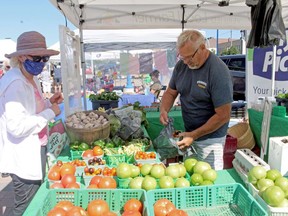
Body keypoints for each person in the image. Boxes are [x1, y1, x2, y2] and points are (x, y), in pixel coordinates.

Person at [0, 31, 63, 215]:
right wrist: (50, 112)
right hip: (23, 155)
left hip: (36, 148)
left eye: (44, 58)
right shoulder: (15, 83)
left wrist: (50, 102)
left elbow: (32, 108)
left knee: (34, 201)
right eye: (37, 58)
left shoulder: (30, 76)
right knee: (25, 207)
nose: (42, 63)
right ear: (21, 57)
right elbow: (17, 126)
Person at [159, 30, 233, 170]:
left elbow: (223, 115)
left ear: (203, 48)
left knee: (209, 178)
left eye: (189, 57)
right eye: (182, 57)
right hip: (189, 134)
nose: (186, 62)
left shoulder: (218, 71)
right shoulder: (181, 66)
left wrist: (194, 135)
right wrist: (164, 110)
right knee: (191, 174)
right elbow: (170, 92)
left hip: (211, 140)